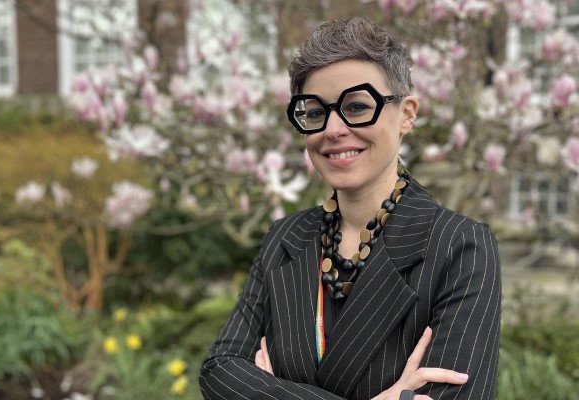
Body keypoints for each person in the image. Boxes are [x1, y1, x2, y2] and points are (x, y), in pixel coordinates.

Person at [199, 17, 501, 400]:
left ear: (407, 113)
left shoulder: (460, 247)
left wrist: (272, 391)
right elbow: (219, 372)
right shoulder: (287, 238)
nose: (333, 129)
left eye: (357, 106)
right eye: (314, 112)